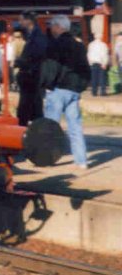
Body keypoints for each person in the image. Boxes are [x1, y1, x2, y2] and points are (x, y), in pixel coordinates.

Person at [41, 15, 91, 169]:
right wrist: (81, 87)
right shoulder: (79, 46)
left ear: (58, 27)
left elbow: (51, 67)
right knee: (75, 127)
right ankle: (81, 161)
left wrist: (45, 84)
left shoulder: (55, 45)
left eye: (52, 26)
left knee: (50, 127)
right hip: (74, 90)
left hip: (58, 89)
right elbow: (86, 69)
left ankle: (48, 159)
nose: (51, 29)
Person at [15, 12, 48, 126]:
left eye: (21, 20)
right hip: (30, 75)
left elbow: (36, 55)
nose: (20, 23)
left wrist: (20, 62)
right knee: (32, 104)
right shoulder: (32, 35)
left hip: (32, 75)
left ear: (28, 21)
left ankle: (27, 125)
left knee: (29, 103)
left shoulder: (37, 37)